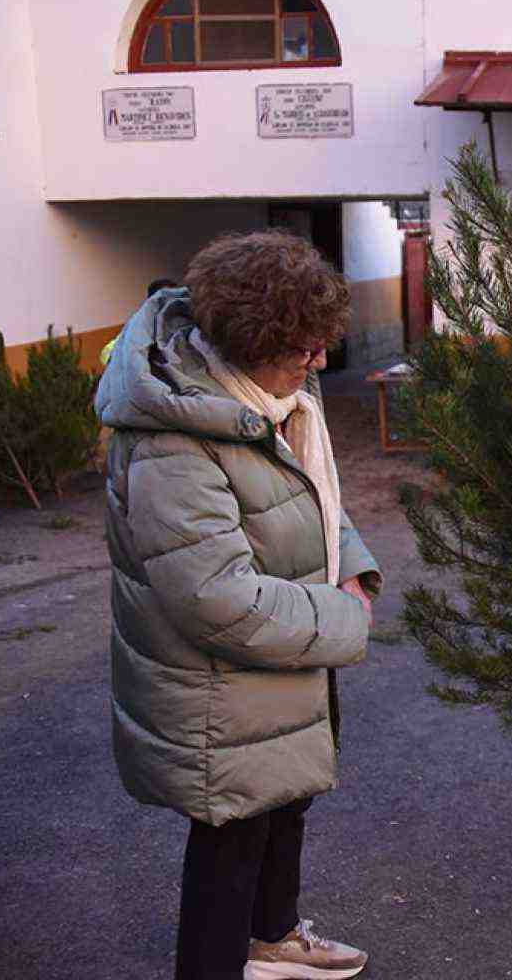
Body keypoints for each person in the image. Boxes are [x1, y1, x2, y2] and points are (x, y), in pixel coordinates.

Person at [95, 231, 380, 980]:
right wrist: (343, 619)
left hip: (281, 657)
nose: (320, 363)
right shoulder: (171, 442)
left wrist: (349, 566)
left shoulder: (268, 392)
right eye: (306, 350)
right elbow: (215, 600)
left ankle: (274, 940)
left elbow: (312, 494)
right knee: (231, 837)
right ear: (252, 343)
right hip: (219, 685)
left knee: (286, 798)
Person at [100, 278, 178, 367]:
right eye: (167, 297)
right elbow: (109, 353)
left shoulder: (183, 319)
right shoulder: (141, 322)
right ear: (153, 300)